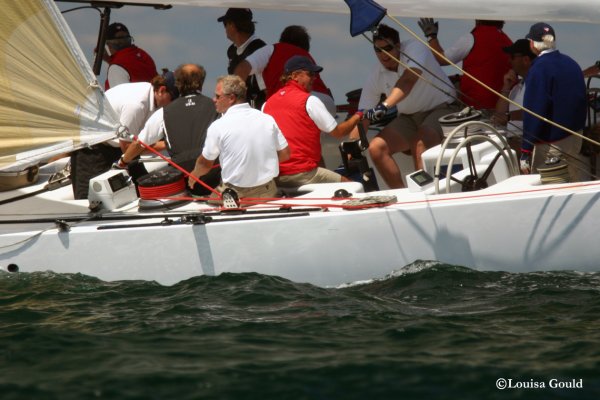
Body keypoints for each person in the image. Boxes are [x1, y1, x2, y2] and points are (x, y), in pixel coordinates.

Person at [360, 24, 458, 189]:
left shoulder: (415, 48)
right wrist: (353, 143)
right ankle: (404, 197)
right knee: (376, 148)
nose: (383, 55)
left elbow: (408, 80)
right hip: (409, 118)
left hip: (442, 109)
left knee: (420, 143)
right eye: (378, 50)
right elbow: (362, 114)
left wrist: (384, 105)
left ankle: (425, 195)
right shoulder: (376, 73)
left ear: (398, 46)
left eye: (388, 48)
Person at [70, 74, 177, 199]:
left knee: (144, 191)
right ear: (162, 90)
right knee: (89, 200)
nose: (174, 104)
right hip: (93, 149)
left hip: (119, 146)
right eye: (174, 99)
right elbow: (127, 149)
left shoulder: (150, 95)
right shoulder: (137, 105)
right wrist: (166, 145)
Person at [119, 63, 220, 196]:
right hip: (213, 173)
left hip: (182, 176)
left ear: (178, 84)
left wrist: (123, 161)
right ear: (201, 84)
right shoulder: (216, 107)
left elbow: (139, 143)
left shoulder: (164, 112)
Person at [262, 56, 363, 188]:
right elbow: (338, 133)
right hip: (303, 174)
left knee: (319, 160)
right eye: (310, 74)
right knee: (353, 187)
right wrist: (358, 115)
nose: (314, 78)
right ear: (295, 75)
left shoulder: (266, 104)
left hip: (276, 177)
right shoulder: (309, 101)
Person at [188, 75, 289, 202]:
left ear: (231, 98)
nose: (214, 100)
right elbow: (285, 154)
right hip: (268, 192)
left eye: (218, 96)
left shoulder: (218, 126)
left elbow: (204, 164)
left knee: (203, 201)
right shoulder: (267, 119)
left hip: (236, 195)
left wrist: (194, 175)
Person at [520, 23, 587, 181]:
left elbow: (534, 111)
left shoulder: (538, 69)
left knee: (546, 191)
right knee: (573, 187)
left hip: (552, 144)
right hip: (576, 136)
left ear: (532, 43)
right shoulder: (571, 62)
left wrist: (525, 150)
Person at [234, 25, 335, 115]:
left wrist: (236, 102)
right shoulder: (307, 56)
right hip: (326, 103)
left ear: (282, 40)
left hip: (297, 103)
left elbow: (243, 68)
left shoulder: (273, 49)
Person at [418, 18, 512, 110]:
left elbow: (441, 59)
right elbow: (491, 71)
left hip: (476, 103)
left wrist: (431, 37)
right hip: (502, 105)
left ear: (478, 20)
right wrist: (459, 78)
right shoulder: (509, 42)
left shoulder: (472, 38)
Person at [490, 39, 537, 159]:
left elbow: (535, 112)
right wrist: (506, 87)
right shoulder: (516, 87)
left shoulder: (536, 83)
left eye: (512, 57)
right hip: (510, 139)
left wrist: (509, 117)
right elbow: (499, 114)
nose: (509, 61)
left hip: (526, 142)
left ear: (526, 60)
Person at [217, 8, 267, 109]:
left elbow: (266, 87)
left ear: (232, 25)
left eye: (225, 24)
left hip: (256, 108)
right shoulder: (232, 50)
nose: (225, 28)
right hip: (238, 107)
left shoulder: (259, 49)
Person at [103, 22, 158, 89]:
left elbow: (120, 97)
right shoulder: (143, 54)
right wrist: (110, 60)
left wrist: (112, 63)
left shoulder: (116, 67)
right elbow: (131, 66)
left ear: (109, 44)